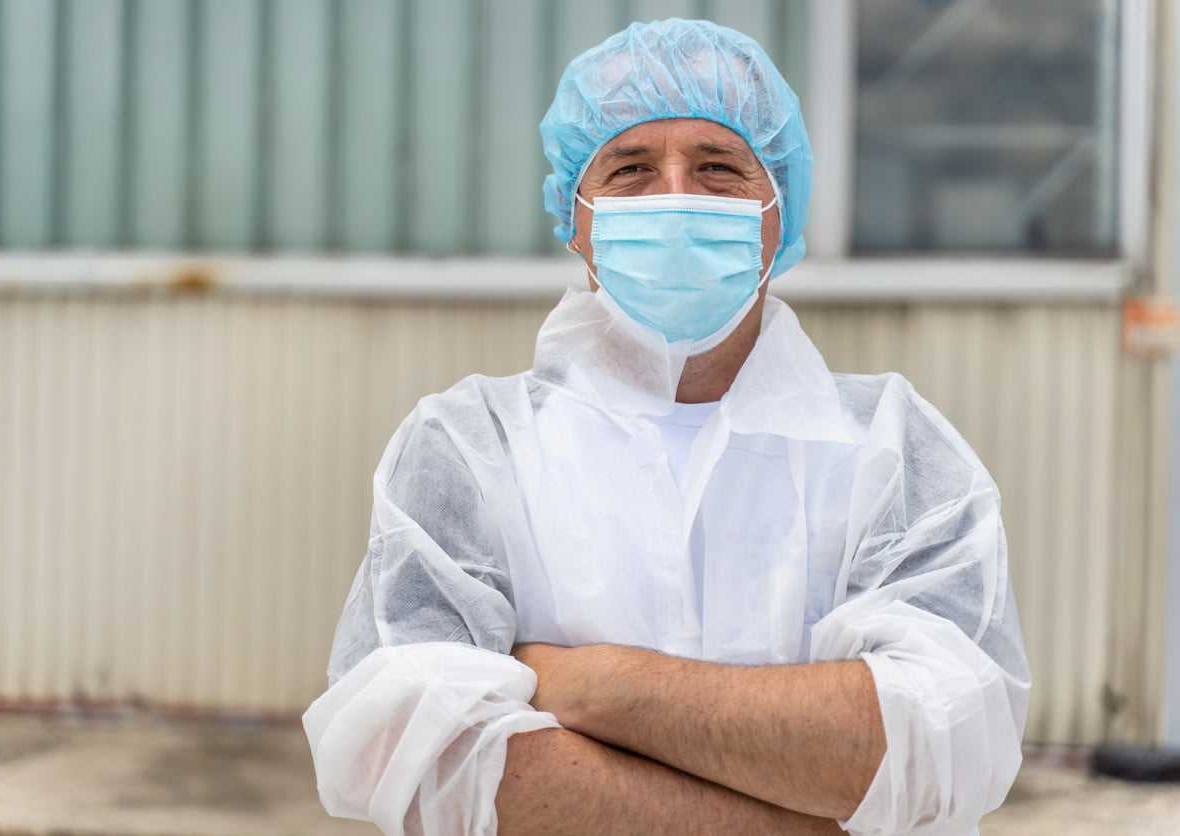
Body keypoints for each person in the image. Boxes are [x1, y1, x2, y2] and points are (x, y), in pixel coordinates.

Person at [304, 18, 1030, 836]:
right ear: (575, 220)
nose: (676, 197)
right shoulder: (471, 447)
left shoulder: (890, 449)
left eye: (718, 167)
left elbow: (942, 741)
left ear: (777, 212)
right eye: (631, 169)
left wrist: (592, 684)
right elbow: (405, 745)